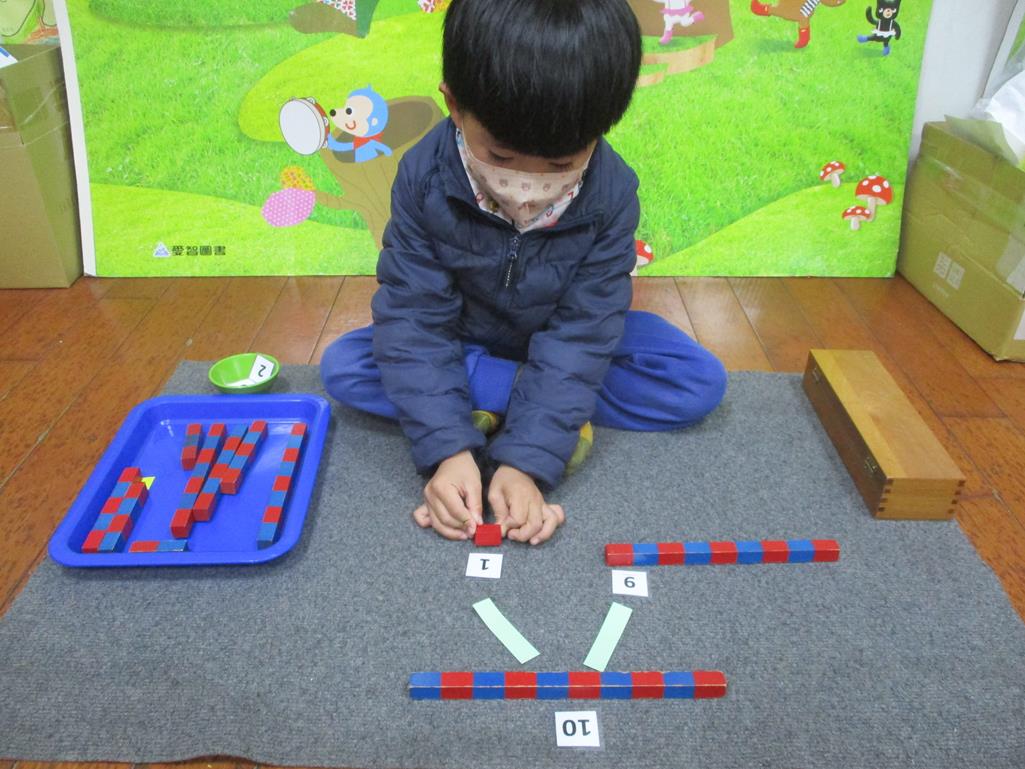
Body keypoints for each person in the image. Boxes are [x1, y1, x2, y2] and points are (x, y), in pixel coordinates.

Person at [321, 0, 726, 547]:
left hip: (556, 335)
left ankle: (495, 400)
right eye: (503, 157)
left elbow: (584, 332)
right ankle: (522, 398)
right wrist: (448, 451)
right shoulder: (422, 177)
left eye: (561, 166)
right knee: (346, 366)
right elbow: (415, 317)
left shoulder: (612, 195)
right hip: (462, 333)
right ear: (455, 105)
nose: (529, 188)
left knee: (695, 381)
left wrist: (526, 462)